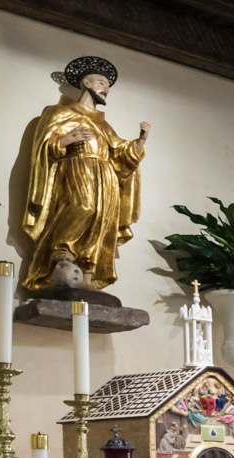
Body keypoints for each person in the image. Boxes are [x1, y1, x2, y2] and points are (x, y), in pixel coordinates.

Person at [22, 56, 149, 293]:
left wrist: (140, 141)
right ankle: (60, 255)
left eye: (107, 85)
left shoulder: (103, 125)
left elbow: (120, 153)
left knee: (101, 222)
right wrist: (64, 140)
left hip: (105, 176)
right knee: (83, 206)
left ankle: (88, 277)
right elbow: (43, 146)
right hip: (76, 167)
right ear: (86, 83)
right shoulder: (58, 112)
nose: (107, 89)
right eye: (101, 83)